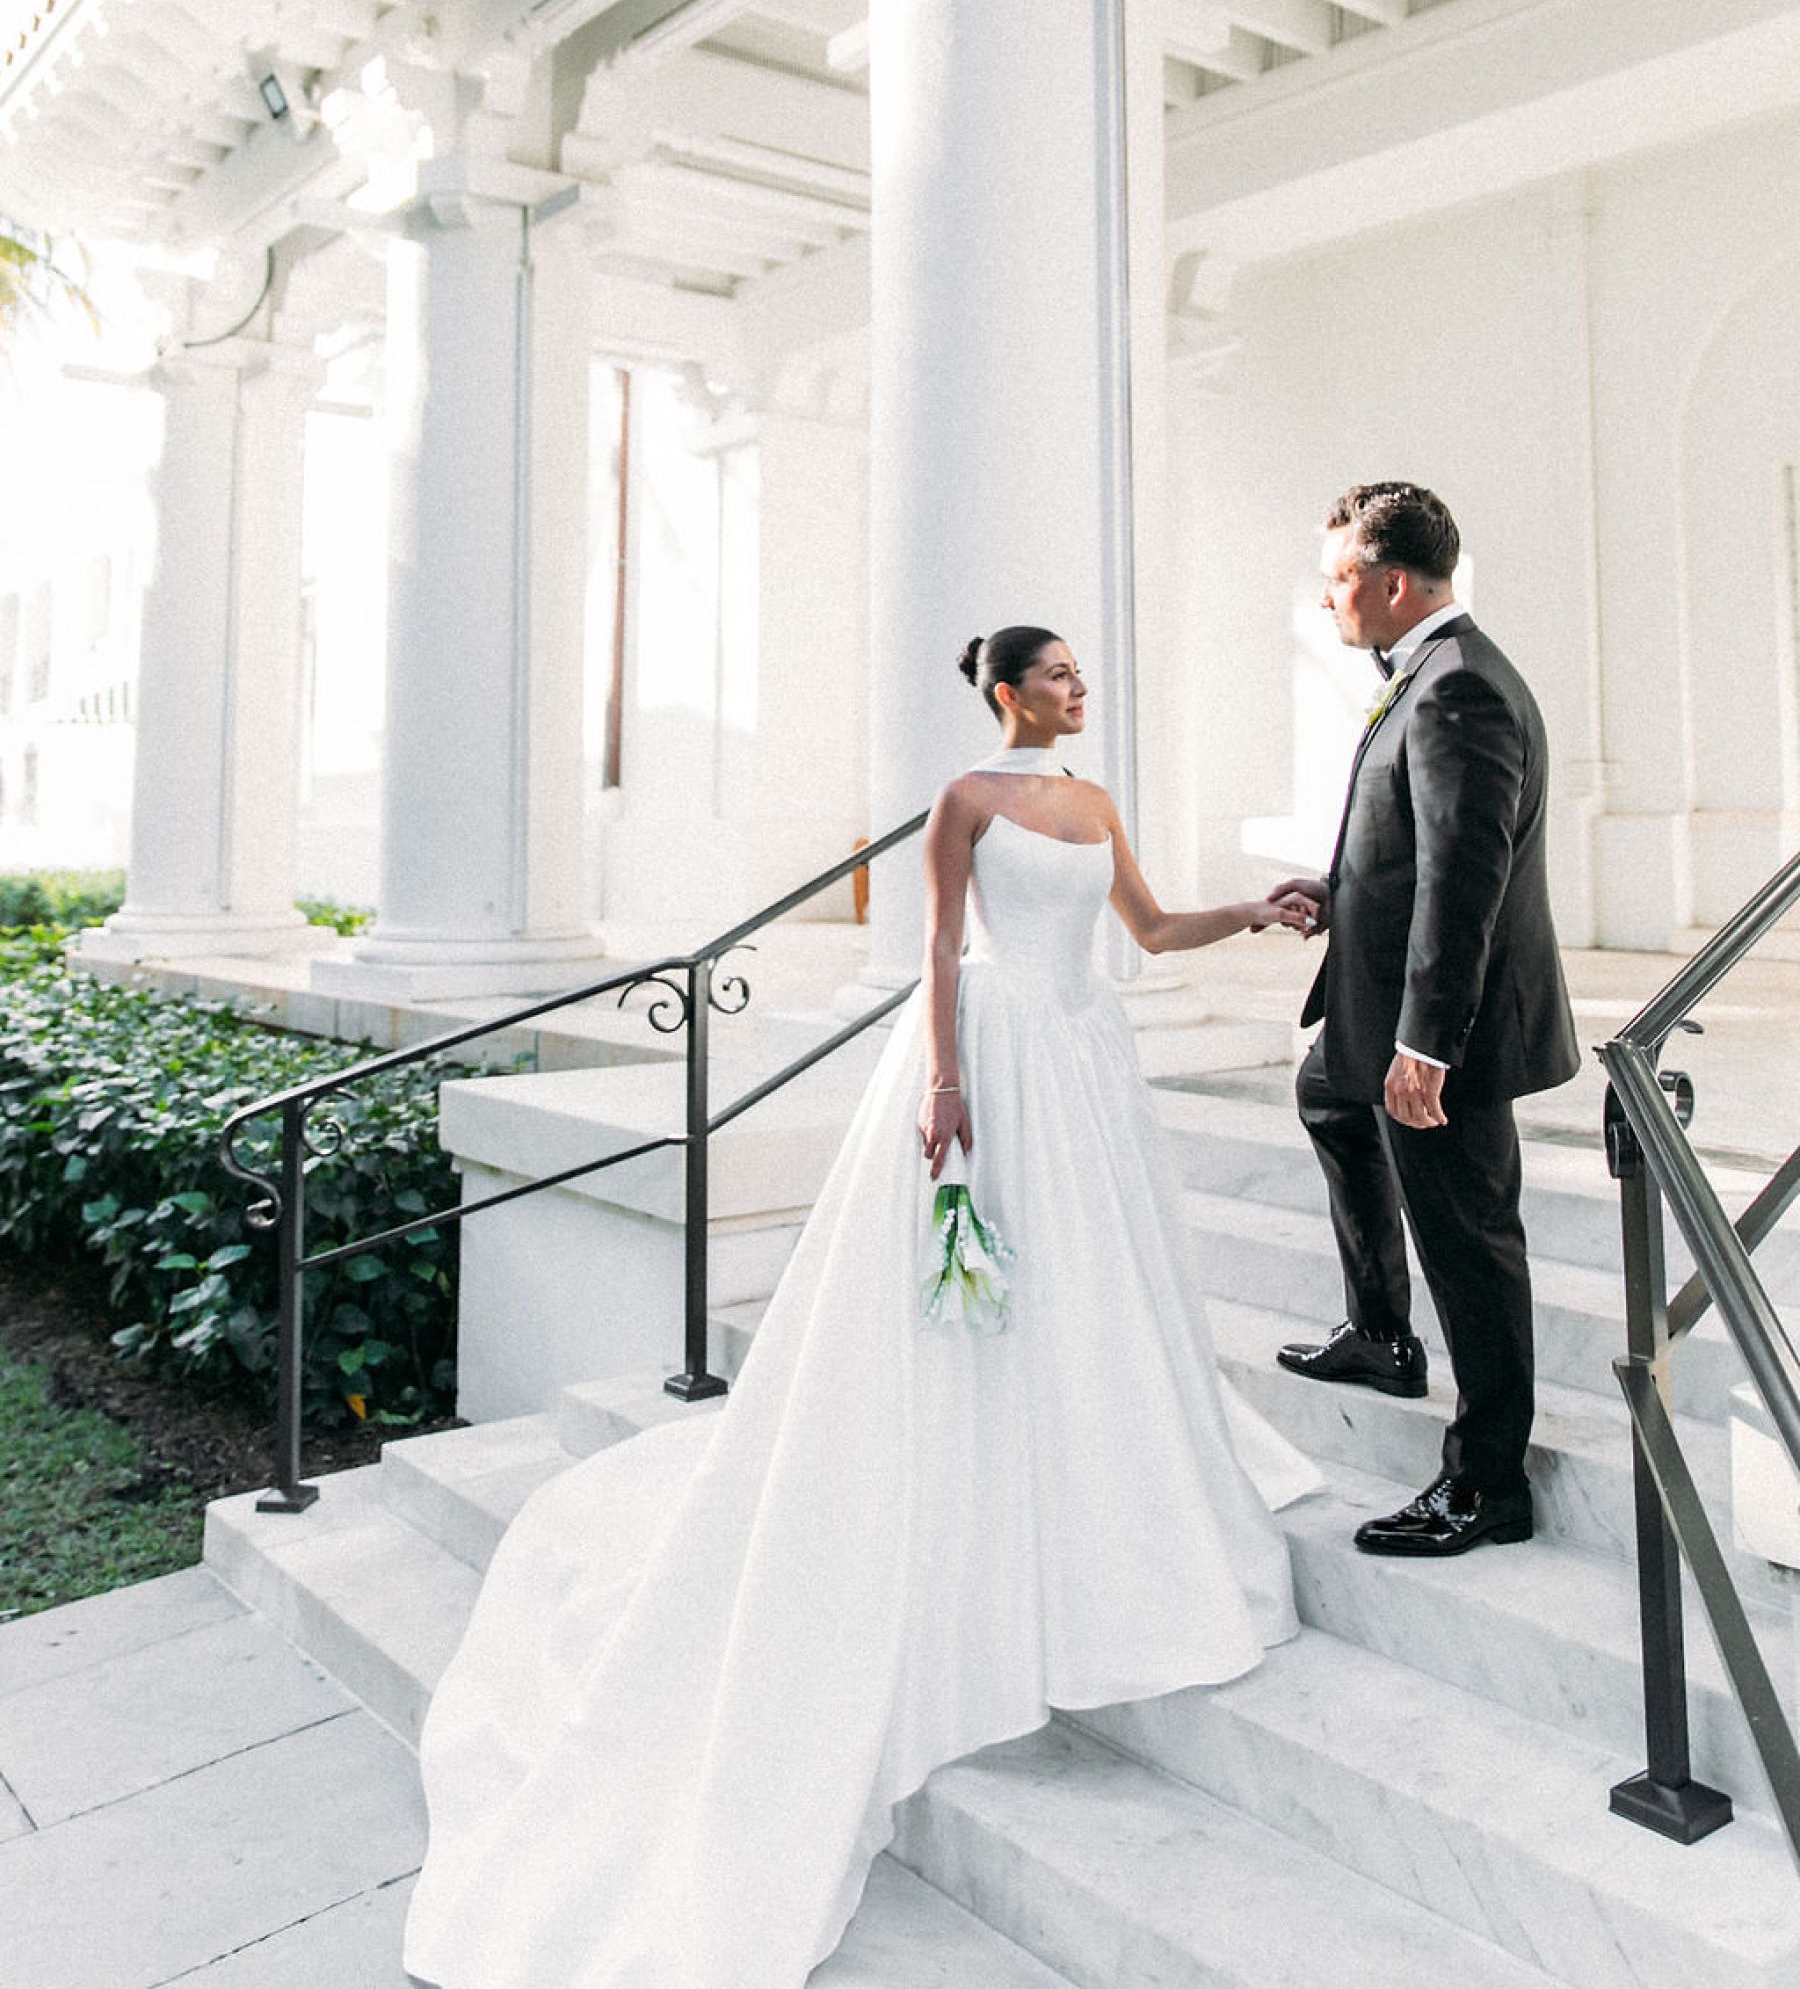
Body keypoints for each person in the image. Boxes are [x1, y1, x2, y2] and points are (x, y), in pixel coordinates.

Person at [404, 625, 1317, 1989]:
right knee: (983, 1296)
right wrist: (945, 1085)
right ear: (1006, 694)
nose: (1077, 687)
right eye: (1055, 673)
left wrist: (1254, 911)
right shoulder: (965, 802)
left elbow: (1148, 927)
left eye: (1081, 672)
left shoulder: (1095, 804)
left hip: (1085, 1064)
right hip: (998, 1057)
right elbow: (942, 951)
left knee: (1102, 1284)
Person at [1271, 483, 1580, 1559]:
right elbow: (1412, 841)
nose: (1326, 601)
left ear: (1392, 582)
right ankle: (1383, 1334)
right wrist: (1338, 888)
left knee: (1470, 1240)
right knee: (1325, 1100)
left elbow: (1465, 878)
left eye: (1337, 580)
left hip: (1444, 1028)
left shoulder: (1459, 692)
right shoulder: (1430, 677)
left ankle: (1486, 1480)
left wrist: (1426, 1044)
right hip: (1372, 1001)